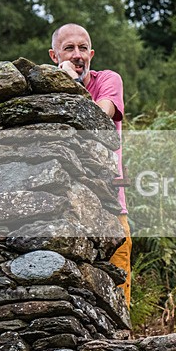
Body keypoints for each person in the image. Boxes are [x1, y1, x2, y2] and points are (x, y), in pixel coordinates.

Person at [49, 23, 132, 306]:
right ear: (54, 56)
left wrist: (72, 86)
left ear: (92, 54)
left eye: (82, 48)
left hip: (111, 206)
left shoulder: (108, 80)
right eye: (68, 48)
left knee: (117, 295)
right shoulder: (43, 92)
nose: (77, 55)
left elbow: (100, 116)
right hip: (61, 206)